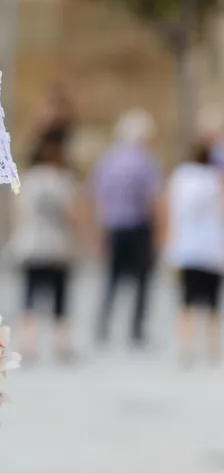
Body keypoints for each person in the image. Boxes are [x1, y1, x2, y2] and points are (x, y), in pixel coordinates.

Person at [88, 108, 163, 348]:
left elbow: (97, 196)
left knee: (112, 279)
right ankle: (136, 329)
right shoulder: (147, 161)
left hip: (113, 226)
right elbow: (153, 199)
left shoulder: (109, 159)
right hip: (139, 227)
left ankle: (103, 324)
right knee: (142, 280)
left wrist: (99, 231)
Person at [9, 135, 82, 364]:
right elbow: (72, 215)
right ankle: (61, 345)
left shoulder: (27, 182)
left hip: (31, 245)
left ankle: (27, 343)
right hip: (57, 247)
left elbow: (20, 215)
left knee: (29, 296)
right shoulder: (63, 181)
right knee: (60, 298)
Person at [160, 141, 224, 366]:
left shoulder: (180, 178)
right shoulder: (214, 180)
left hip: (186, 247)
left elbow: (170, 211)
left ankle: (185, 345)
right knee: (213, 302)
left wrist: (169, 244)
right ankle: (212, 345)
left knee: (186, 300)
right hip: (211, 249)